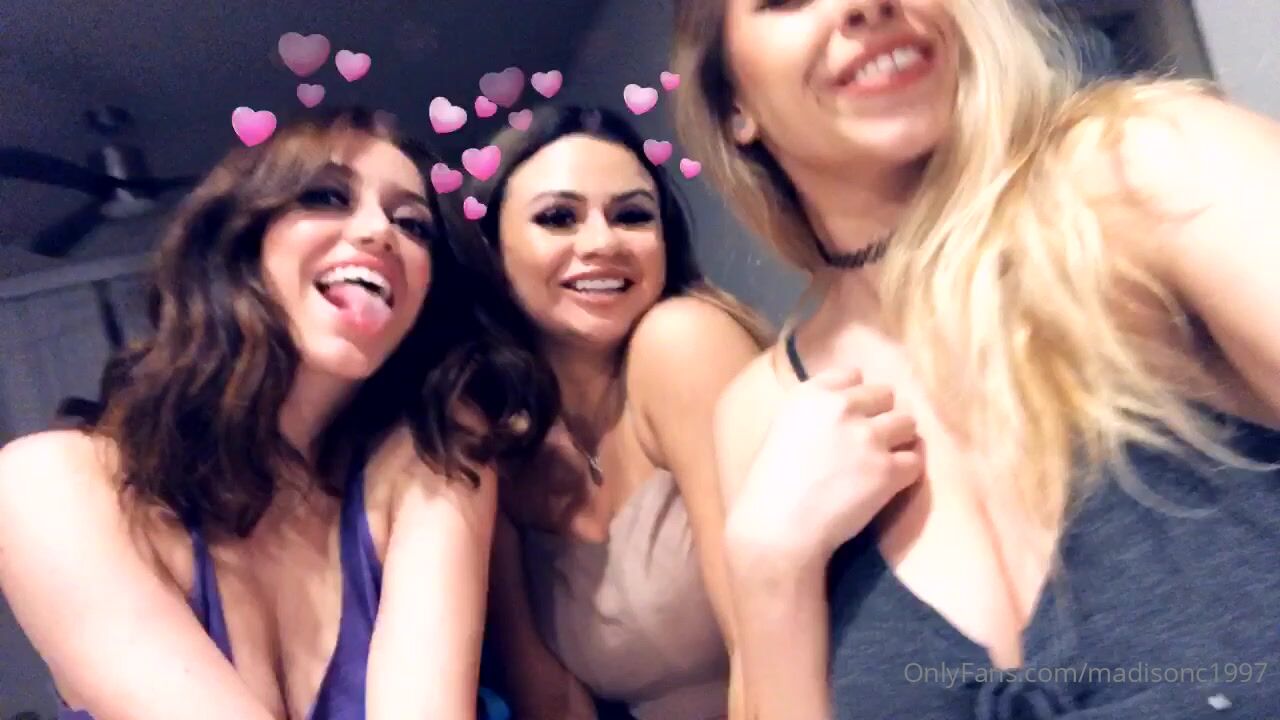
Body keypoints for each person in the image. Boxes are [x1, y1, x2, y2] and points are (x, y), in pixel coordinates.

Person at [670, 0, 1280, 717]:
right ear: (735, 106)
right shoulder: (759, 414)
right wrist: (770, 572)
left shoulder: (1154, 168)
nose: (865, 3)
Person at [0, 107, 556, 720]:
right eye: (326, 196)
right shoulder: (48, 484)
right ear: (239, 242)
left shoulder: (429, 457)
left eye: (413, 224)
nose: (379, 231)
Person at [467, 105, 772, 720]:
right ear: (493, 254)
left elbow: (769, 639)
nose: (603, 243)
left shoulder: (681, 342)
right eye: (558, 217)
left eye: (632, 215)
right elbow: (549, 699)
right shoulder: (498, 443)